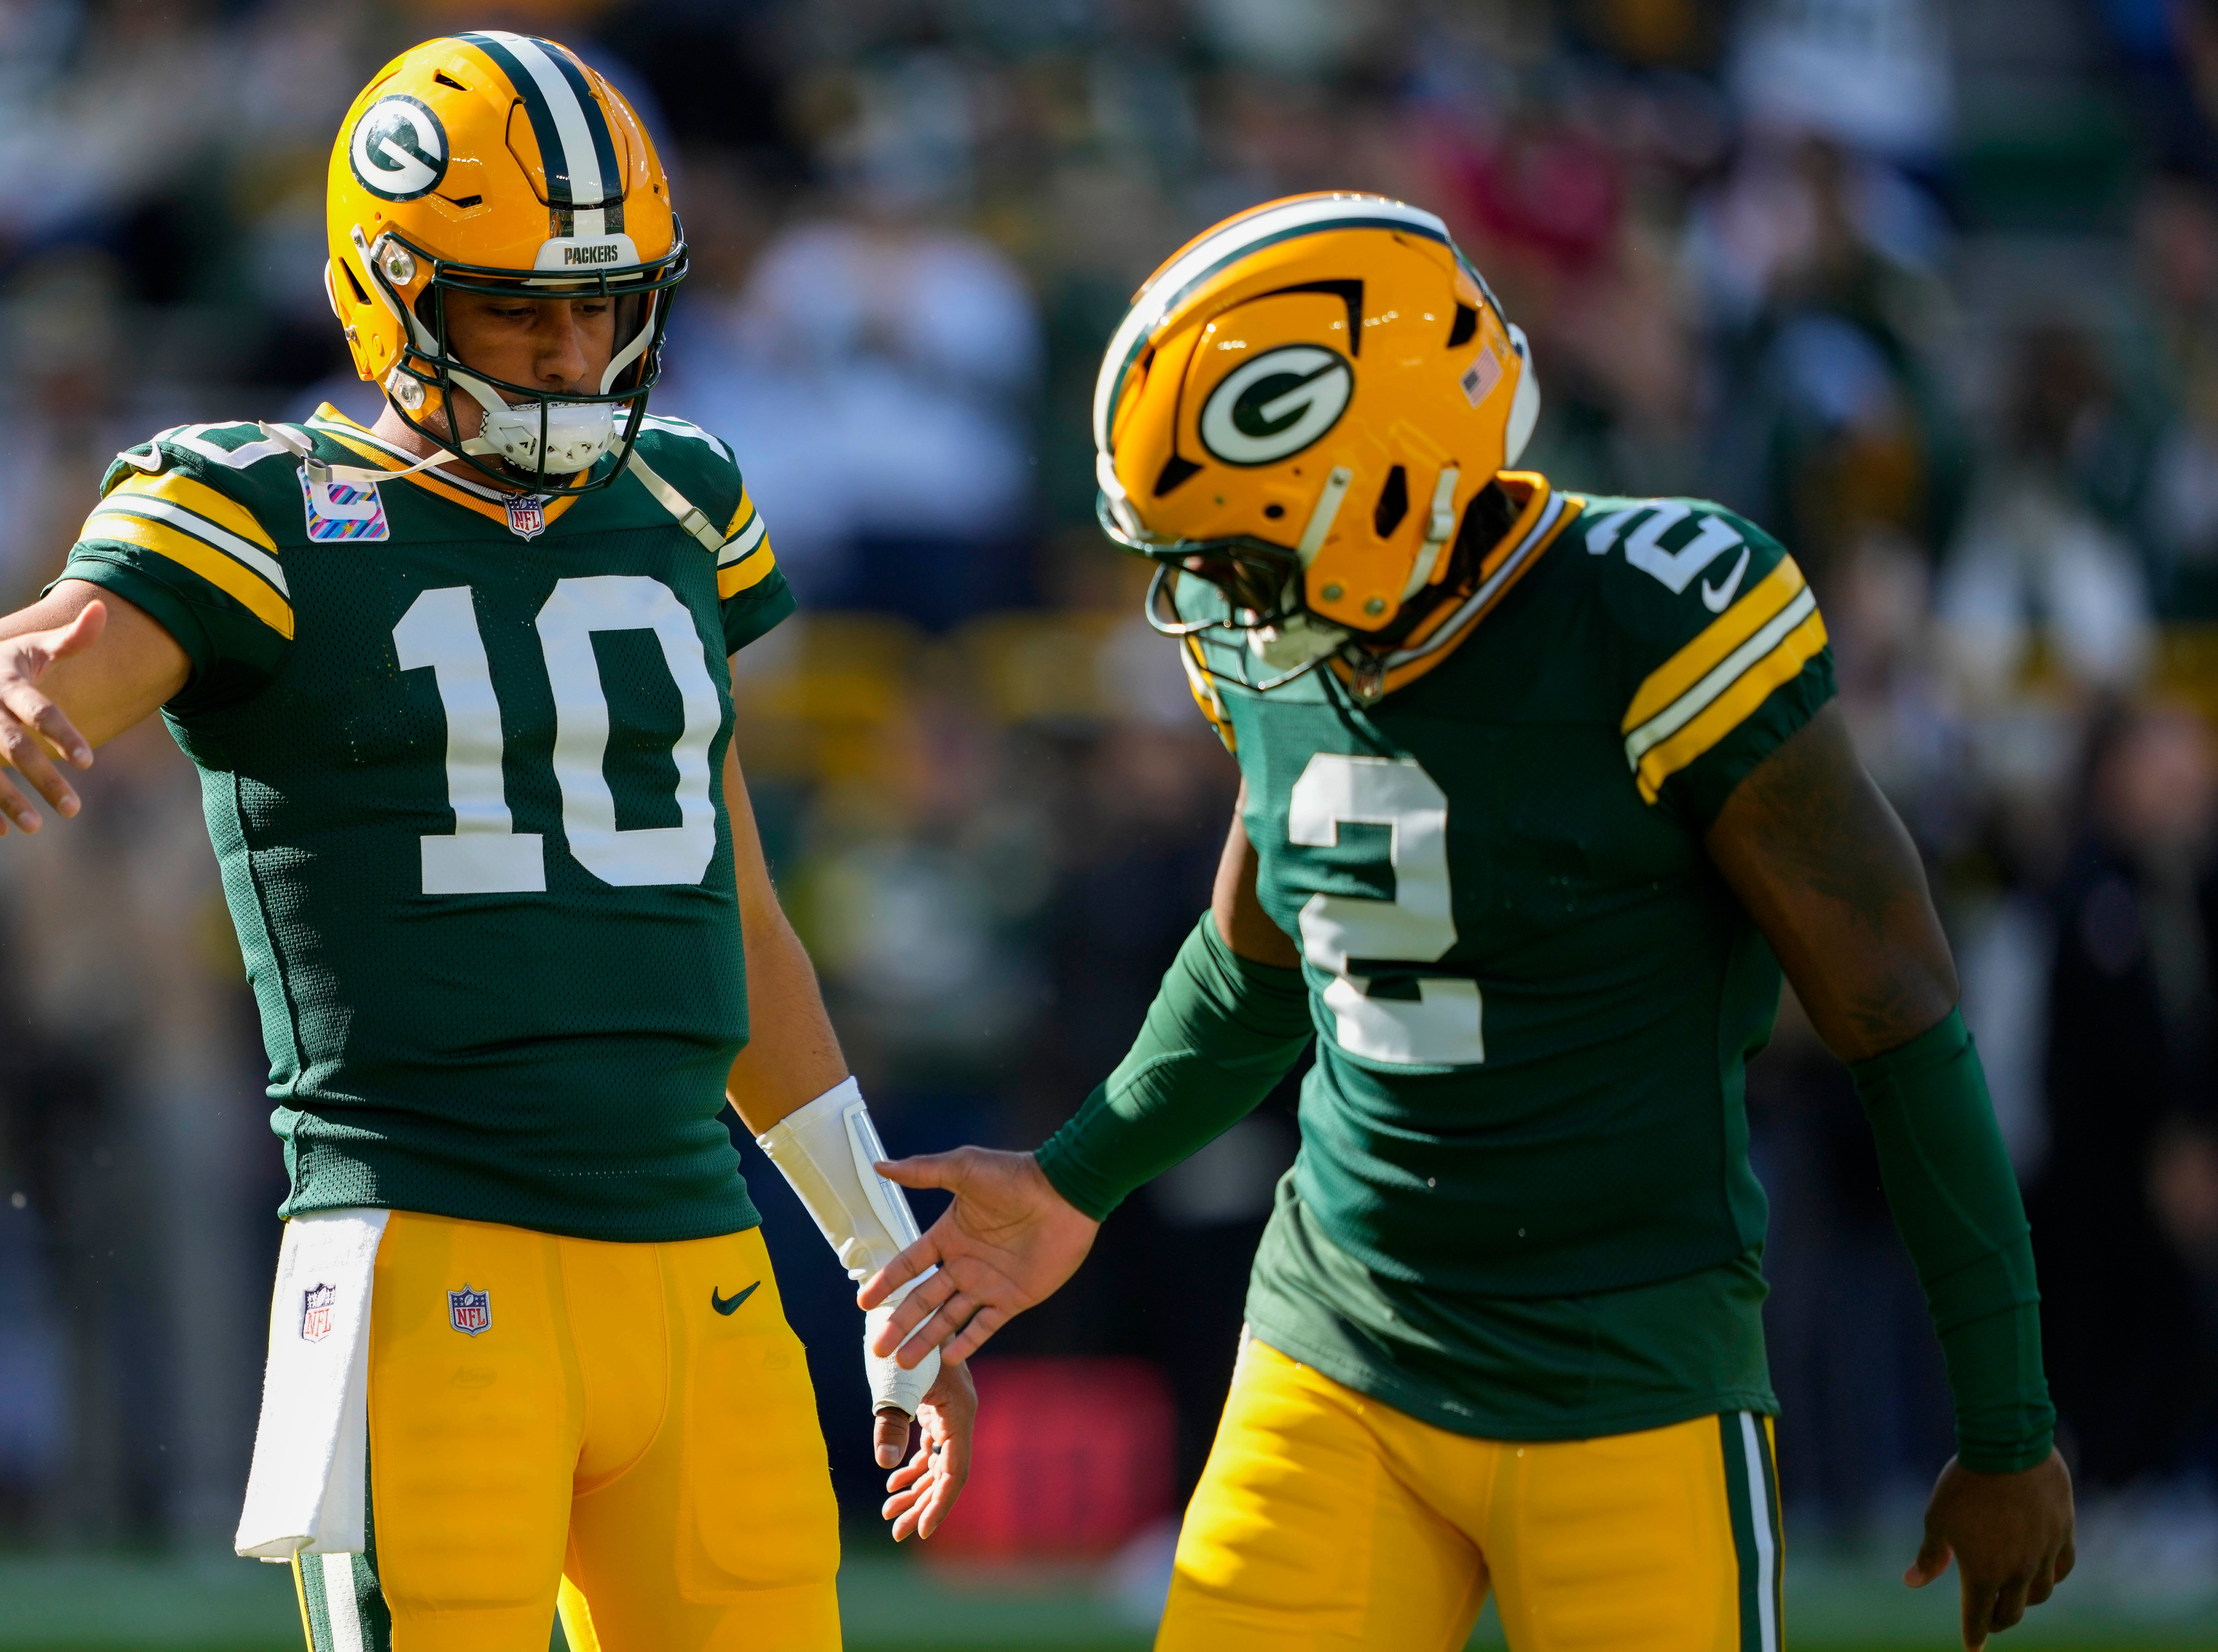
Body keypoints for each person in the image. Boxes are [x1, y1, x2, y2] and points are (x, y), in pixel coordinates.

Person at [0, 35, 973, 1651]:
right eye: (521, 305)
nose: (574, 351)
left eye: (604, 305)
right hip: (429, 1274)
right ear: (389, 292)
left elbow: (737, 929)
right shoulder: (258, 506)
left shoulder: (684, 499)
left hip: (703, 1277)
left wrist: (881, 1262)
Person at [861, 194, 2075, 1652]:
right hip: (1335, 1352)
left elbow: (1897, 1015)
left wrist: (2005, 1423)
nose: (1204, 602)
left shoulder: (1652, 617)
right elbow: (1260, 969)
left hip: (1624, 1369)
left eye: (1235, 552)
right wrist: (1075, 1178)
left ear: (1381, 483)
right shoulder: (1276, 652)